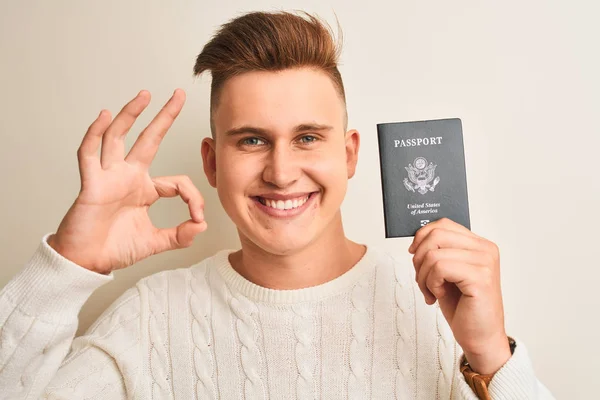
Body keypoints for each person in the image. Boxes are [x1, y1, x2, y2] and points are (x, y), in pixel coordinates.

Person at [0, 10, 554, 400]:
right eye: (252, 139)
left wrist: (492, 358)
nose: (282, 172)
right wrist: (67, 265)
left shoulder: (443, 306)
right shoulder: (151, 318)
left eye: (308, 137)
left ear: (350, 153)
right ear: (213, 163)